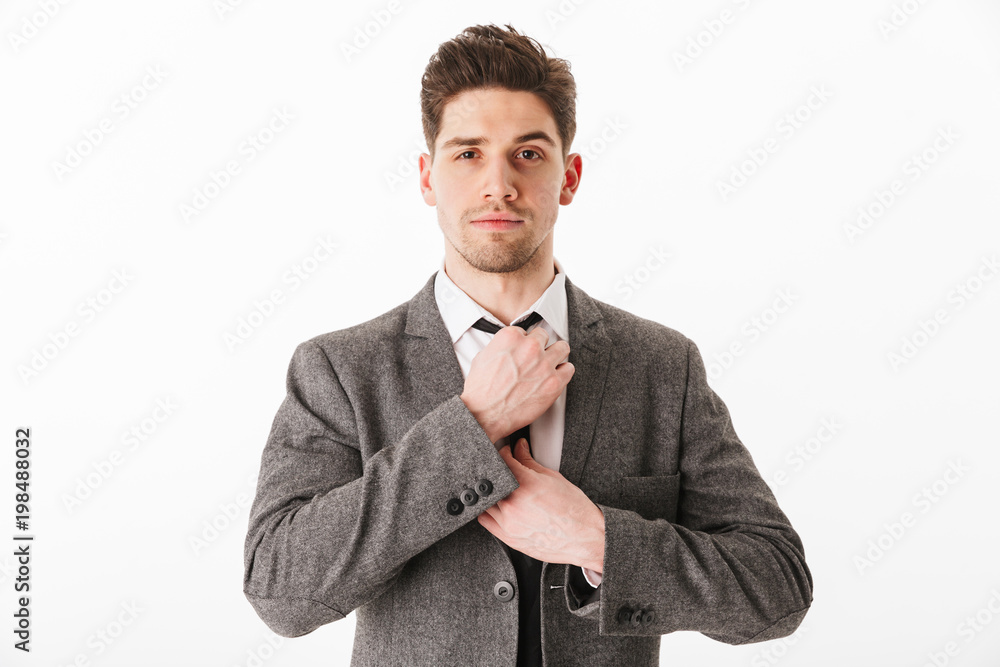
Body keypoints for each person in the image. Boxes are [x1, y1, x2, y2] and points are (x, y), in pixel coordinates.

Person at [242, 23, 813, 666]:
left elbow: (778, 589)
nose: (499, 185)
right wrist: (473, 424)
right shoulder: (340, 370)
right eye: (468, 154)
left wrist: (597, 539)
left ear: (569, 177)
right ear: (427, 178)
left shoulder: (661, 366)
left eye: (528, 154)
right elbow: (279, 592)